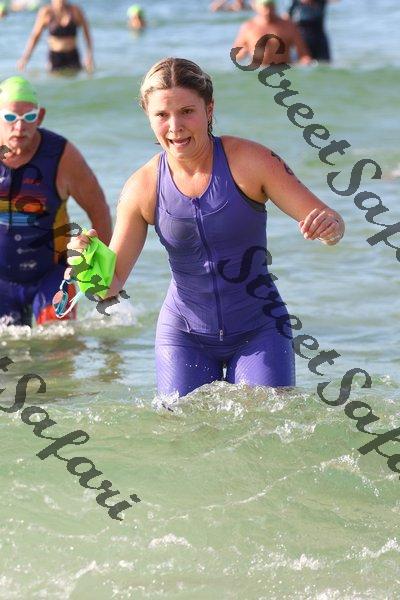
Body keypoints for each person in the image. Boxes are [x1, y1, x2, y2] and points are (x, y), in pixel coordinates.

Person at [67, 57, 344, 398]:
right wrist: (84, 264)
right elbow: (109, 288)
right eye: (162, 115)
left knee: (267, 422)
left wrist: (329, 229)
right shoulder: (143, 187)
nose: (175, 126)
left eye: (187, 111)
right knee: (181, 428)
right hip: (183, 336)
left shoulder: (251, 161)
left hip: (260, 329)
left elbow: (331, 221)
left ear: (209, 109)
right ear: (148, 117)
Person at [0, 76, 112, 326]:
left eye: (28, 117)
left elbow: (99, 210)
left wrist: (101, 274)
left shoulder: (61, 156)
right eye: (10, 117)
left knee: (59, 343)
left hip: (52, 275)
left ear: (40, 117)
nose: (19, 126)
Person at [17, 0, 94, 73]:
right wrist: (25, 58)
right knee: (55, 80)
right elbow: (35, 36)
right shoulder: (47, 12)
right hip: (55, 56)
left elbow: (87, 34)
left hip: (73, 55)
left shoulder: (75, 10)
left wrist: (89, 55)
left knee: (75, 79)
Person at [232, 0, 312, 65]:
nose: (268, 11)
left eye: (270, 6)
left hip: (283, 71)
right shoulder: (248, 27)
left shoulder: (288, 26)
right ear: (256, 7)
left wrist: (306, 63)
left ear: (275, 6)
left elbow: (304, 54)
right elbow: (236, 55)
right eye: (265, 7)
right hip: (258, 72)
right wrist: (245, 51)